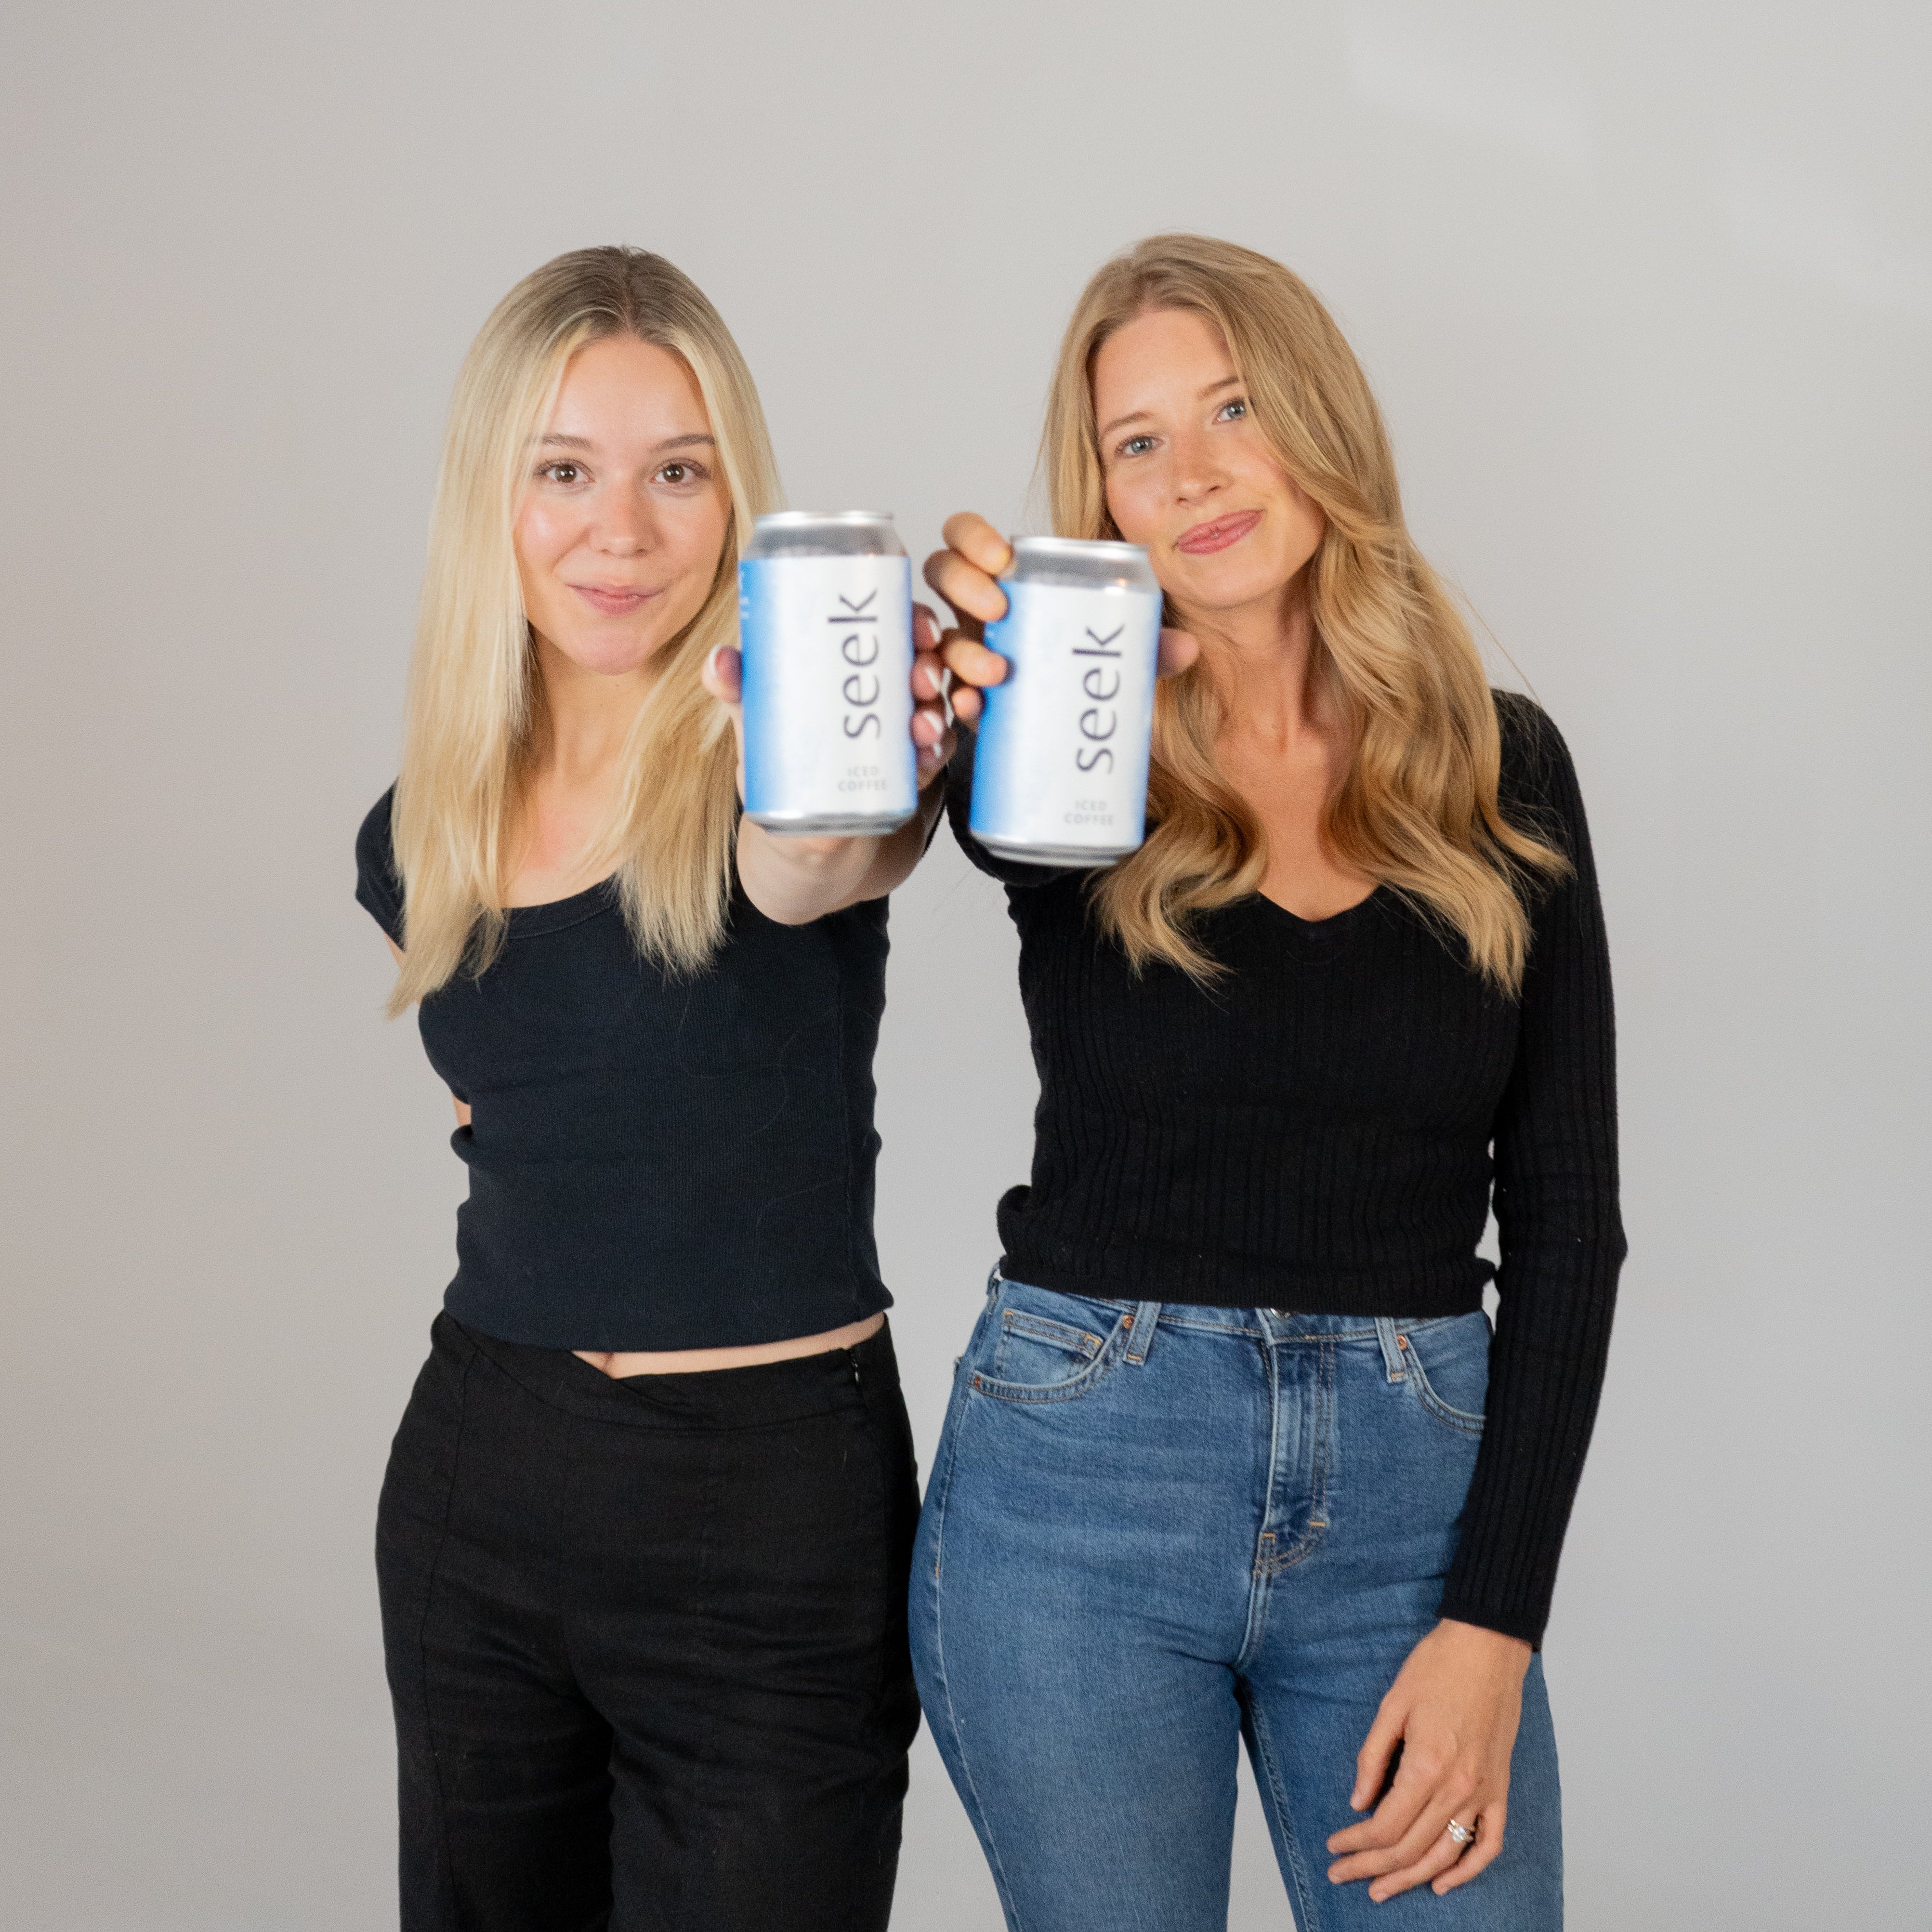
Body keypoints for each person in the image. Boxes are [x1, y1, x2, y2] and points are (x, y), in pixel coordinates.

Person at [915, 234, 1624, 1930]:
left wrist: (1493, 1622)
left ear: (1319, 422)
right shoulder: (1059, 754)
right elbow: (910, 832)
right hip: (1082, 1494)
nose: (1197, 472)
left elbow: (1569, 1222)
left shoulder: (1500, 760)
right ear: (1103, 496)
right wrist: (958, 676)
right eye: (1137, 440)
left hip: (1411, 1515)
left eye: (1232, 407)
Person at [354, 246, 951, 1932]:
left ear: (730, 493)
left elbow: (816, 858)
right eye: (566, 471)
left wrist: (838, 744)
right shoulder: (425, 830)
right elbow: (520, 1110)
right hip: (483, 1476)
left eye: (675, 472)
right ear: (497, 494)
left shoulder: (801, 746)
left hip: (766, 1521)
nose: (619, 529)